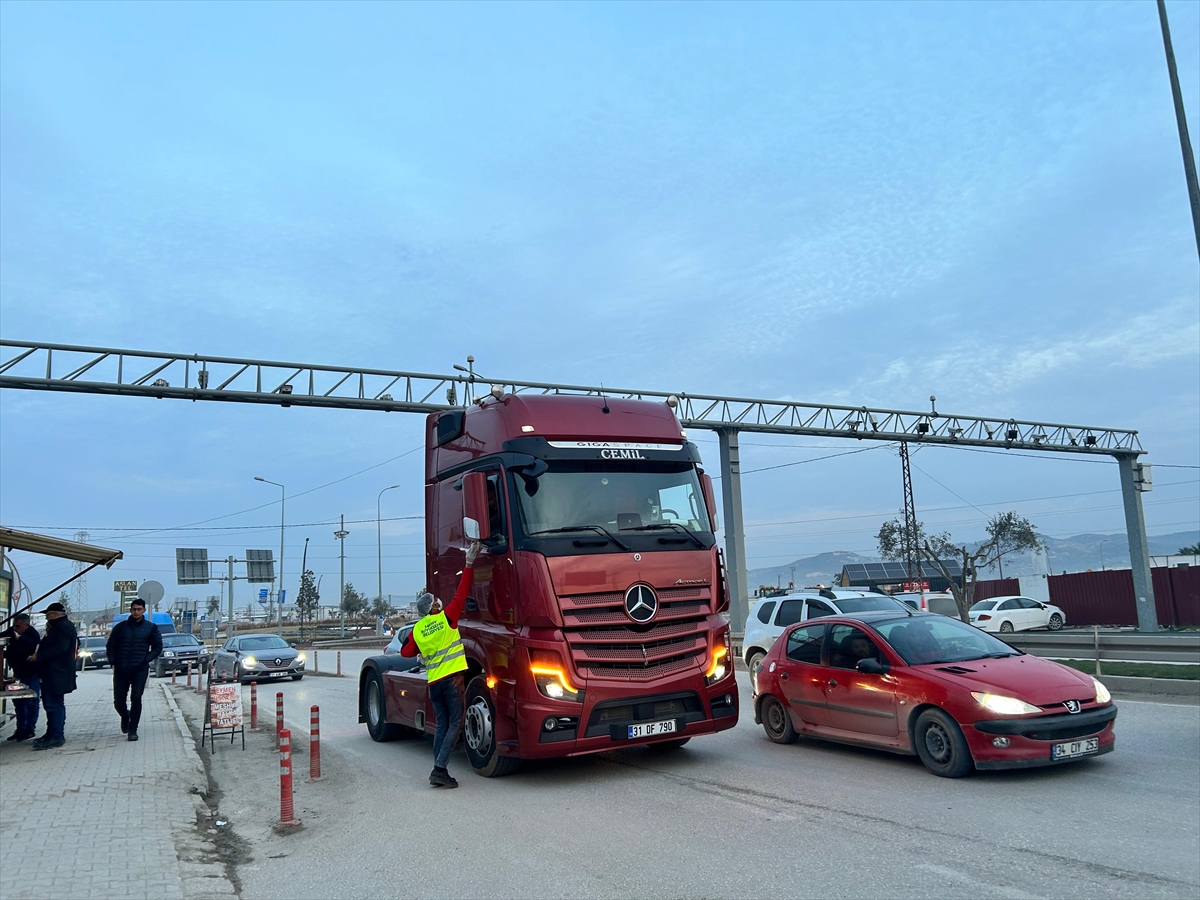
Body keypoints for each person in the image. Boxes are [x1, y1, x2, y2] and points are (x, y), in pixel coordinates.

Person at [401, 541, 481, 788]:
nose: (440, 600)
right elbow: (462, 592)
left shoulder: (418, 628)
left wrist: (421, 652)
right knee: (456, 723)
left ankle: (439, 765)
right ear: (434, 607)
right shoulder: (447, 618)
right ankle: (439, 769)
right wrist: (468, 563)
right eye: (437, 600)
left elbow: (405, 652)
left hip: (434, 682)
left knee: (441, 725)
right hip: (453, 679)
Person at [106, 598, 163, 741]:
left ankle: (133, 730)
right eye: (134, 609)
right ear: (130, 610)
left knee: (136, 697)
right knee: (118, 700)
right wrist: (113, 661)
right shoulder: (121, 627)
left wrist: (146, 659)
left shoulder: (151, 627)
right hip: (121, 669)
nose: (136, 612)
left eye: (139, 609)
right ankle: (125, 716)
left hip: (139, 669)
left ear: (144, 610)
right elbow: (110, 646)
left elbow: (157, 647)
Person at [30, 602, 77, 750]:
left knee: (53, 704)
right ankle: (51, 733)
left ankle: (56, 736)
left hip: (57, 672)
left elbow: (61, 648)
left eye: (48, 615)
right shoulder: (59, 627)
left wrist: (39, 656)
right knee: (51, 703)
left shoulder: (62, 627)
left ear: (54, 614)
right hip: (54, 671)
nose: (47, 618)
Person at [1, 612, 41, 741]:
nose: (15, 629)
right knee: (18, 702)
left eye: (18, 626)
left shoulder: (32, 635)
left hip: (30, 672)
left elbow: (30, 647)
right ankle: (20, 729)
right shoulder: (13, 631)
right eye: (14, 626)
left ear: (26, 625)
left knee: (31, 702)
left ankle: (29, 729)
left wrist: (20, 640)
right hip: (18, 672)